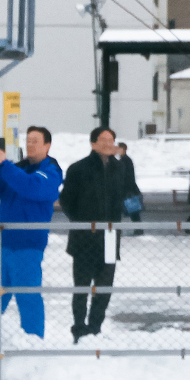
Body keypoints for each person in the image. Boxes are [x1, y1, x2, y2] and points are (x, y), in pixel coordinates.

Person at [58, 126, 141, 343]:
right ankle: (78, 328)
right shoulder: (78, 169)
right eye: (103, 140)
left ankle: (95, 328)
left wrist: (132, 211)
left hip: (110, 238)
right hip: (84, 238)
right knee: (81, 288)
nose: (108, 143)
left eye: (111, 139)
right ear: (93, 143)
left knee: (104, 288)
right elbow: (67, 201)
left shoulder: (121, 167)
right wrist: (82, 222)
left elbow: (131, 192)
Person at [0, 126, 63, 340]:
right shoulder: (19, 169)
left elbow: (30, 187)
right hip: (6, 242)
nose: (30, 145)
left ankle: (33, 340)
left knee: (27, 297)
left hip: (28, 245)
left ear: (47, 145)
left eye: (35, 141)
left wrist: (5, 165)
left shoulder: (51, 172)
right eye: (28, 140)